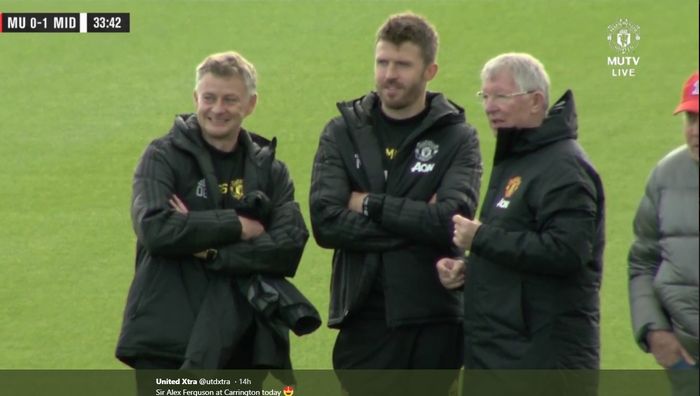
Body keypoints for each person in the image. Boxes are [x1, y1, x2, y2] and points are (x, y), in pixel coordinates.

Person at [115, 51, 317, 382]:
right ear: (196, 98)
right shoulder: (161, 157)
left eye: (229, 99)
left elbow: (288, 247)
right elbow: (155, 228)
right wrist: (237, 225)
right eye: (209, 98)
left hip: (242, 343)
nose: (217, 109)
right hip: (168, 340)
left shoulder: (271, 170)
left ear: (250, 104)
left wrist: (206, 248)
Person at [309, 11, 482, 395]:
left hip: (435, 319)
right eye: (382, 62)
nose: (389, 74)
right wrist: (418, 220)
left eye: (403, 64)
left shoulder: (458, 137)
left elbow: (449, 222)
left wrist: (368, 203)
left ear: (429, 70)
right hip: (363, 318)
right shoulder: (342, 132)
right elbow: (325, 222)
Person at [437, 53, 605, 392]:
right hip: (503, 357)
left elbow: (566, 251)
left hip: (543, 362)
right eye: (485, 96)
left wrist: (481, 239)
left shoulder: (564, 169)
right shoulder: (518, 160)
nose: (489, 106)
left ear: (536, 101)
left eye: (501, 96)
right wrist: (471, 270)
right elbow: (519, 247)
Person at [628, 71, 699, 396]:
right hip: (686, 363)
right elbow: (642, 262)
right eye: (691, 118)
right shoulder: (666, 175)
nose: (695, 131)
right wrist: (653, 329)